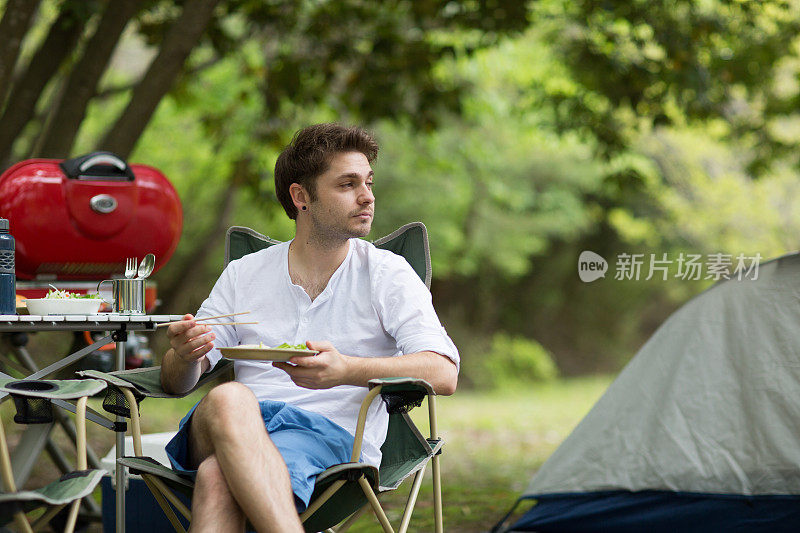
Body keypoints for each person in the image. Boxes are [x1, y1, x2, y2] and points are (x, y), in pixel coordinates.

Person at [160, 123, 459, 532]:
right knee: (229, 399)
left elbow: (443, 371)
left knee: (215, 476)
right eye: (348, 184)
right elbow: (177, 382)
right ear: (301, 196)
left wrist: (346, 370)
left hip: (329, 439)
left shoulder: (387, 274)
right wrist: (184, 355)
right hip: (229, 424)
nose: (367, 196)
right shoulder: (244, 274)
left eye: (368, 182)